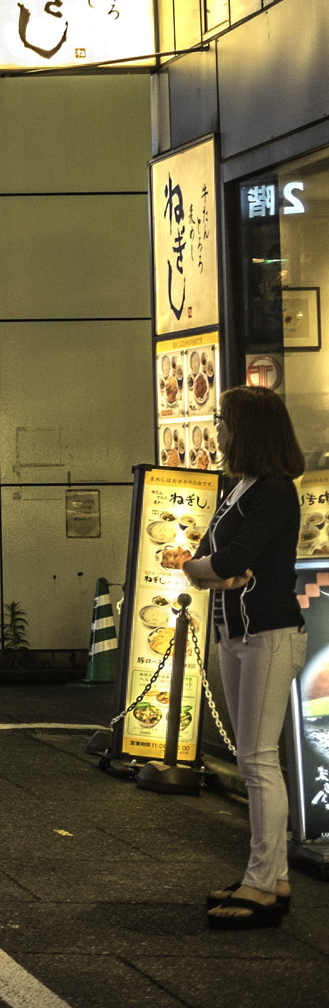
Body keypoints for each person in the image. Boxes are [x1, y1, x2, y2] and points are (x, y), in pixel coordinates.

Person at [163, 386, 306, 929]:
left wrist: (214, 569)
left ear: (248, 429)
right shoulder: (237, 484)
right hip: (237, 630)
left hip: (269, 632)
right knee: (254, 759)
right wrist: (212, 570)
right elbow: (207, 559)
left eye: (223, 420)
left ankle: (261, 884)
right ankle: (273, 877)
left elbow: (234, 560)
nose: (216, 428)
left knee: (256, 760)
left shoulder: (273, 490)